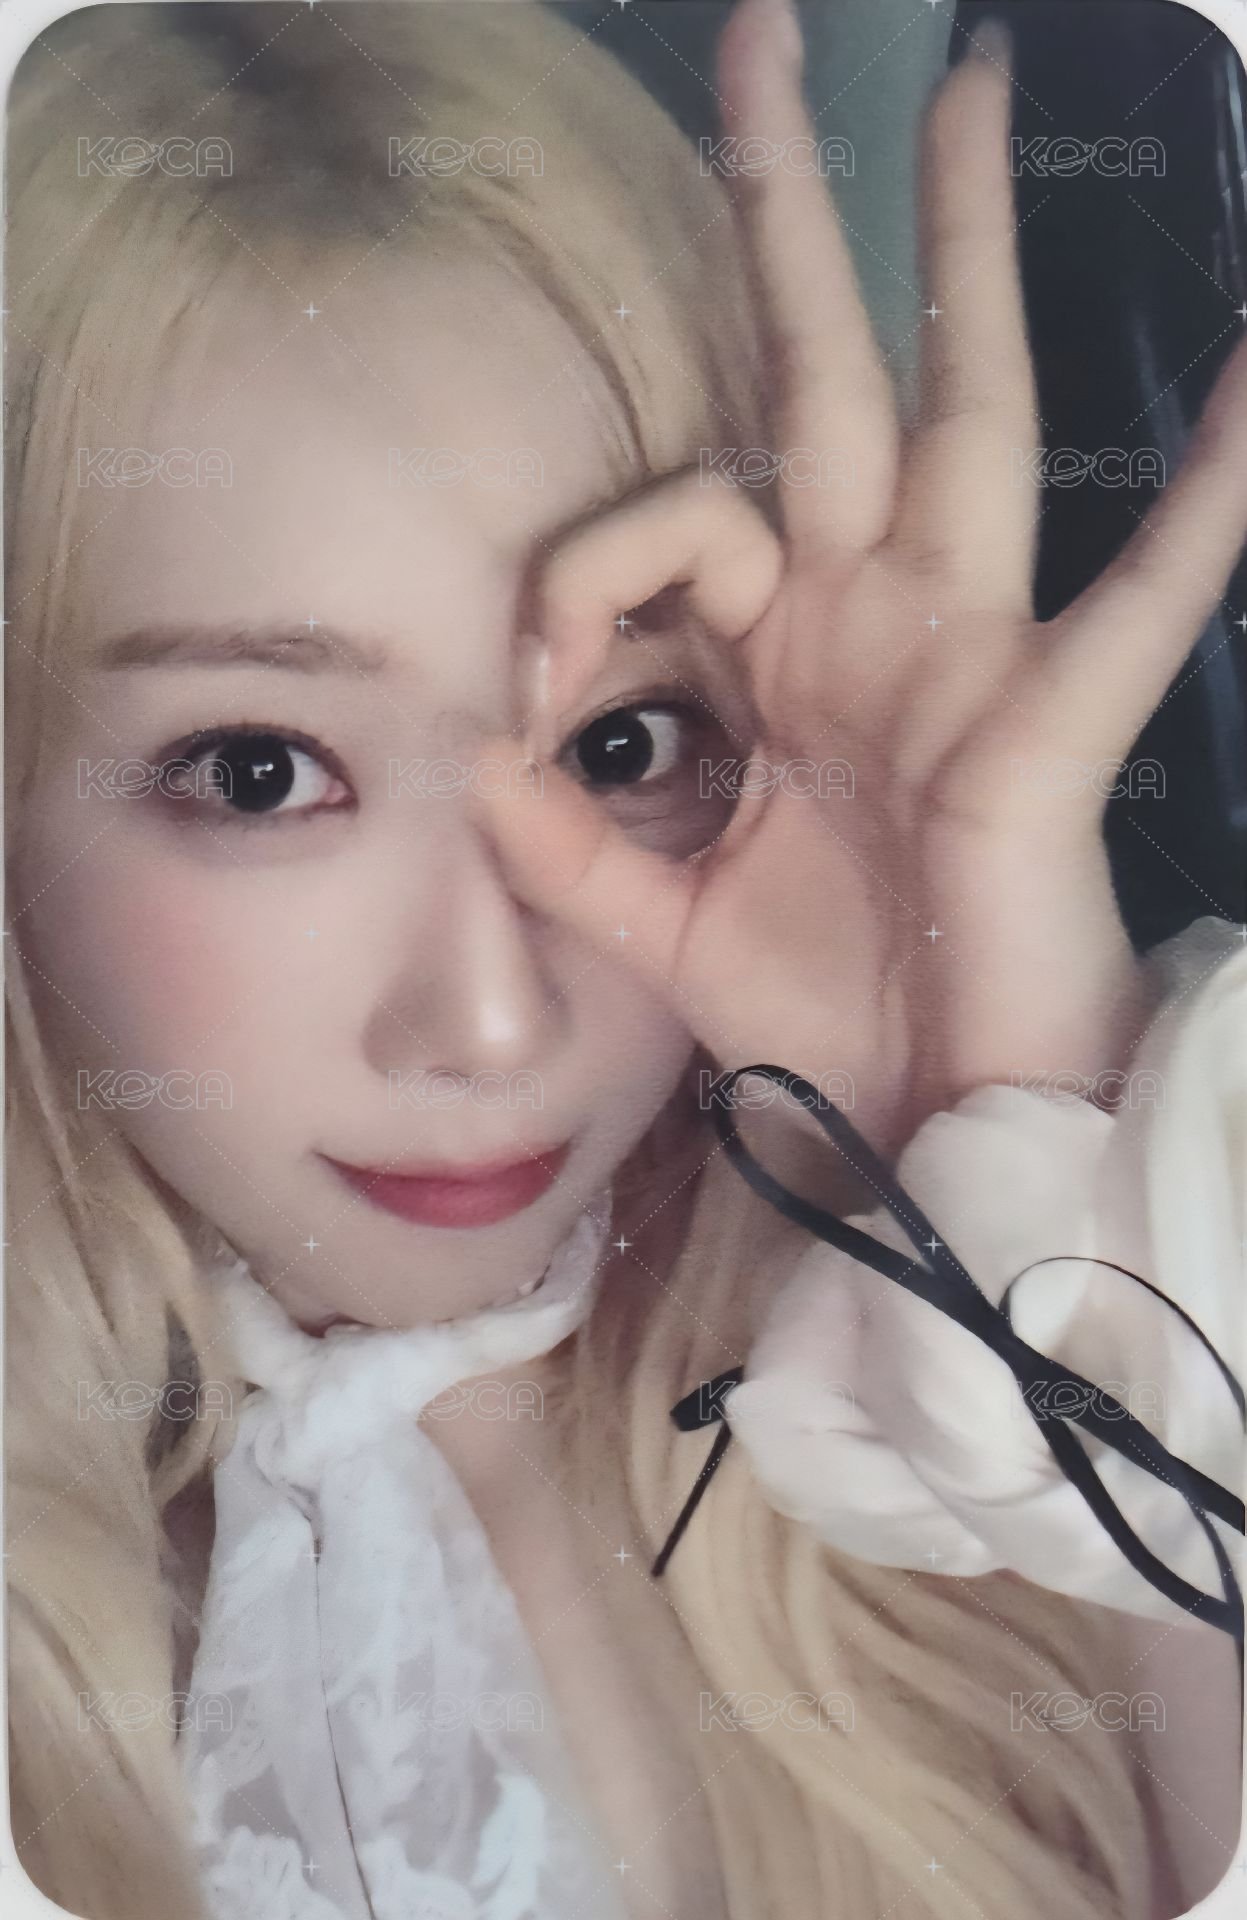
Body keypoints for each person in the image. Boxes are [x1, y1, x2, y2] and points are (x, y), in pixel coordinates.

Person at [4, 2, 1243, 1917]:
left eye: (623, 743)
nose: (491, 1023)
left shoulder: (974, 1456)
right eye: (259, 771)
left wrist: (1024, 1138)